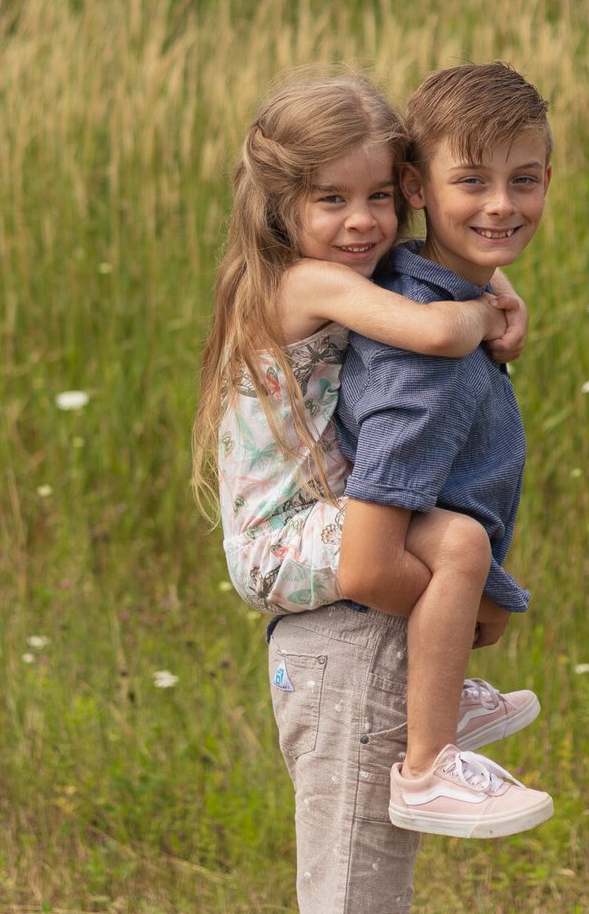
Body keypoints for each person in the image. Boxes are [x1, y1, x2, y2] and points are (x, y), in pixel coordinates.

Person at [259, 62, 577, 914]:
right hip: (347, 636)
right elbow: (376, 542)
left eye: (526, 176)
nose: (498, 203)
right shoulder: (409, 326)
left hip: (377, 639)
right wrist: (482, 610)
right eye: (466, 179)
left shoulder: (430, 302)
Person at [194, 68, 553, 828]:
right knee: (457, 545)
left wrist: (503, 289)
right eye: (333, 199)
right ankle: (428, 763)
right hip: (278, 538)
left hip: (309, 517)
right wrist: (488, 318)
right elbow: (429, 328)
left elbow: (423, 284)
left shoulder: (349, 273)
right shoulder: (303, 283)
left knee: (457, 553)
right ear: (281, 205)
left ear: (406, 190)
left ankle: (442, 682)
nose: (364, 221)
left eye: (378, 197)